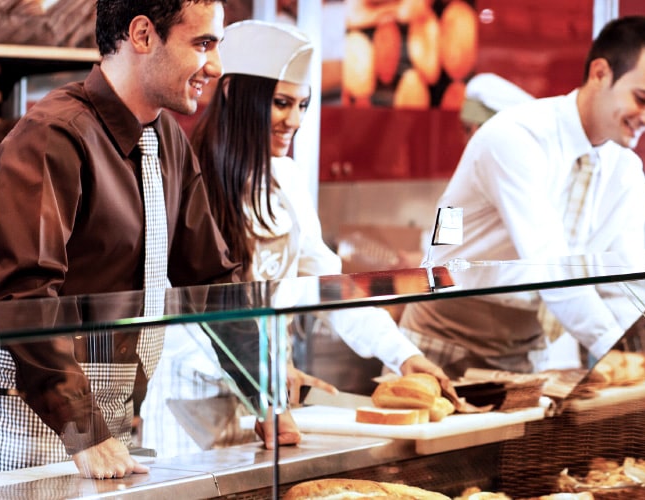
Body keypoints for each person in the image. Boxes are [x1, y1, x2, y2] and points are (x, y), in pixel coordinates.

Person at [0, 0, 243, 483]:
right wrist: (85, 430)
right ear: (142, 35)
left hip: (106, 441)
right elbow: (26, 297)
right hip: (17, 444)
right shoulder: (52, 135)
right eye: (202, 43)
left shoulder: (167, 141)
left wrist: (262, 391)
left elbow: (213, 280)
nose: (216, 65)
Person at [184, 19, 453, 412]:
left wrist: (402, 355)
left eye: (303, 105)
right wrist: (260, 372)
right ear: (230, 92)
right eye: (281, 103)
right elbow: (183, 317)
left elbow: (330, 286)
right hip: (194, 399)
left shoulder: (287, 179)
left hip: (273, 398)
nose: (294, 121)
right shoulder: (188, 179)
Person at [398, 16, 645, 378]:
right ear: (599, 73)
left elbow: (622, 282)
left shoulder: (626, 172)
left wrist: (630, 352)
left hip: (526, 352)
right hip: (442, 342)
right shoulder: (514, 138)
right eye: (643, 99)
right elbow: (549, 263)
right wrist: (609, 345)